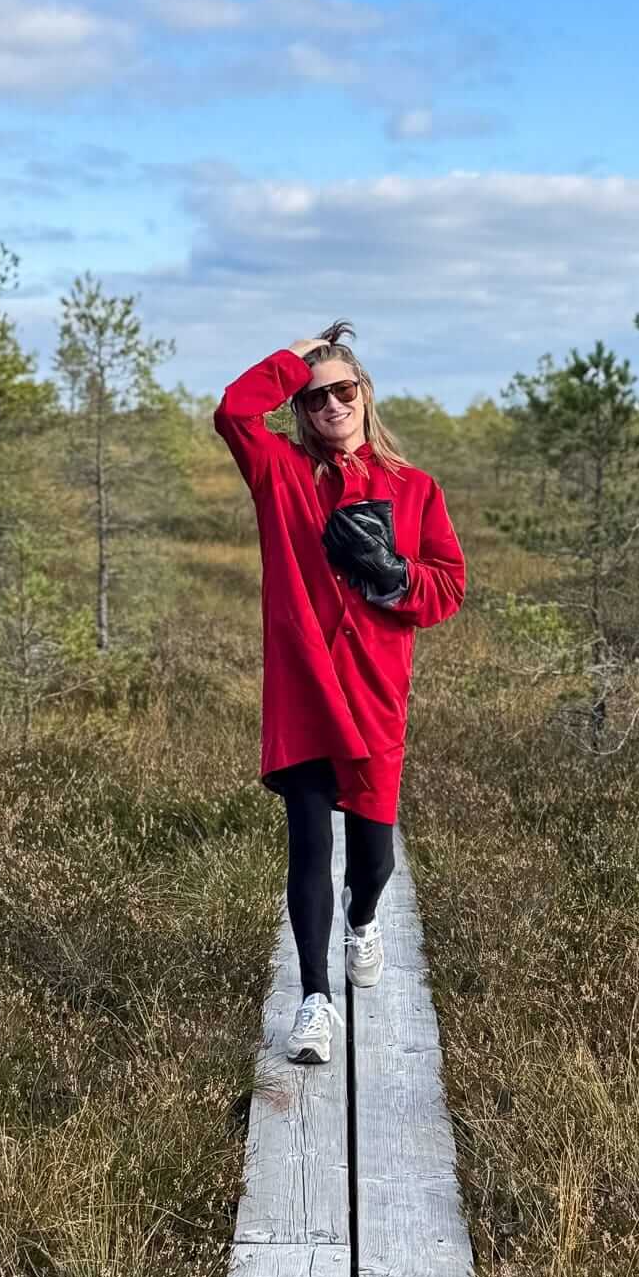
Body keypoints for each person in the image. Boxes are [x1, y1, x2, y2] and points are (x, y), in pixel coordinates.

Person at [212, 319, 466, 1064]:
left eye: (343, 390)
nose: (331, 405)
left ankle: (364, 921)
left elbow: (449, 585)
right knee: (309, 845)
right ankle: (314, 1001)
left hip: (375, 689)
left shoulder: (414, 488)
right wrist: (297, 356)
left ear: (365, 393)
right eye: (315, 396)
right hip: (304, 691)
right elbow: (233, 410)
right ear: (300, 404)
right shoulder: (281, 473)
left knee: (373, 859)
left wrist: (397, 578)